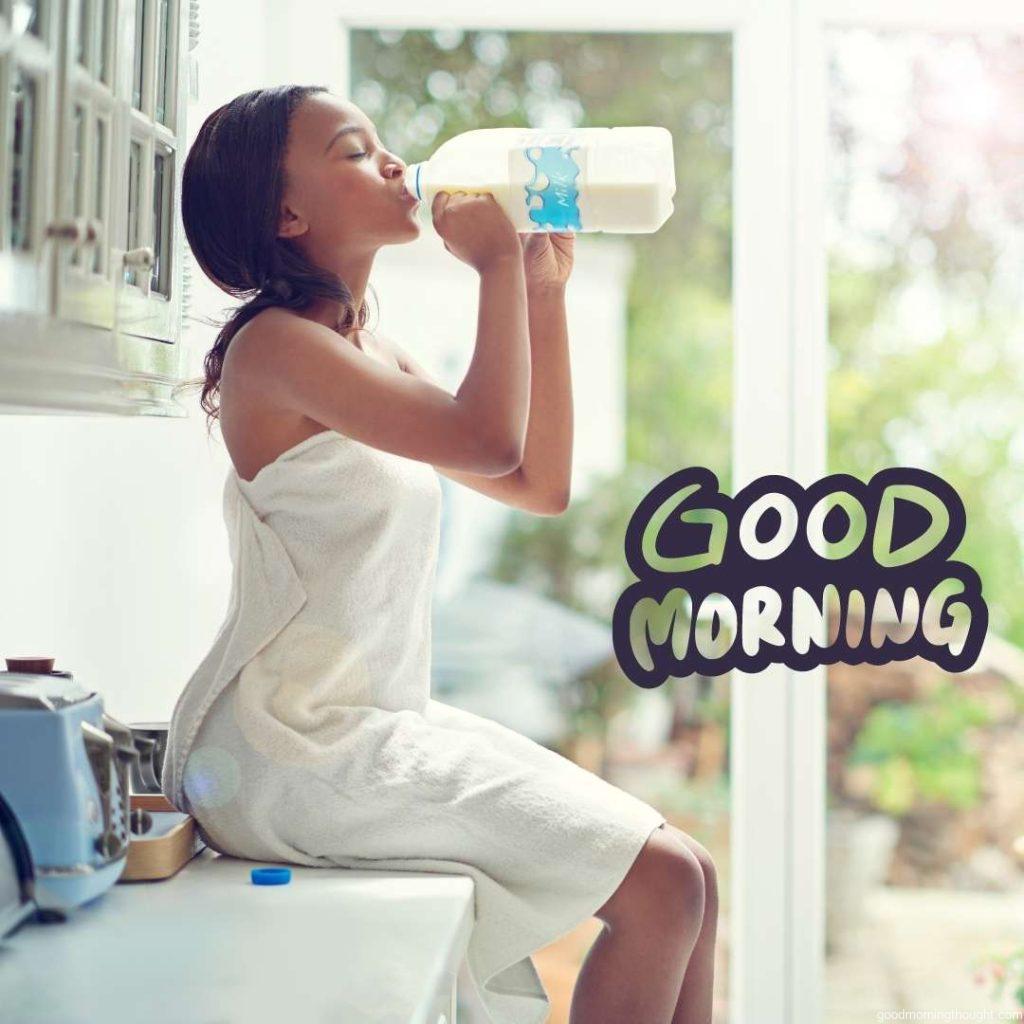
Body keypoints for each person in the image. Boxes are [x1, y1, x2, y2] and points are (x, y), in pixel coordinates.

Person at [164, 84, 717, 1024]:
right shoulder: (275, 349)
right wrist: (494, 271)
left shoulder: (368, 344)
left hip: (371, 722)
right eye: (352, 150)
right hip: (289, 748)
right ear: (287, 213)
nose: (390, 161)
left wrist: (539, 288)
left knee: (692, 876)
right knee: (663, 885)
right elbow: (489, 440)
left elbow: (536, 481)